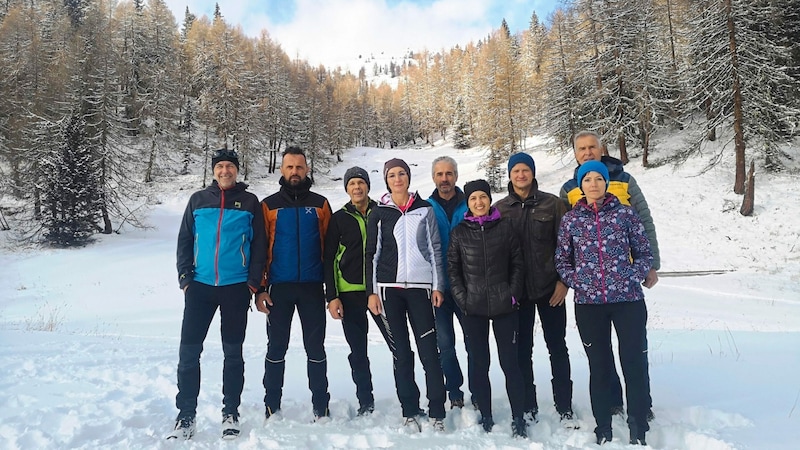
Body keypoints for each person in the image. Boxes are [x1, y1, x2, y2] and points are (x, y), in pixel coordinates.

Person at [560, 130, 658, 419]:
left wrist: (651, 264)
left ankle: (642, 407)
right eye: (582, 149)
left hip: (626, 284)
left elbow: (644, 220)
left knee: (633, 353)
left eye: (592, 147)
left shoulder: (625, 180)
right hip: (591, 289)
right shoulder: (569, 188)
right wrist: (572, 280)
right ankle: (613, 402)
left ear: (601, 149)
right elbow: (564, 238)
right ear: (576, 154)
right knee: (601, 356)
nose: (588, 152)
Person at [172, 148, 267, 440]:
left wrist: (252, 284)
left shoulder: (250, 202)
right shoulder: (198, 200)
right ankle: (186, 414)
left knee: (233, 353)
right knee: (189, 353)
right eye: (220, 166)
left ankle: (231, 411)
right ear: (214, 170)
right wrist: (186, 277)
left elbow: (260, 246)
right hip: (199, 288)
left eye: (230, 166)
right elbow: (185, 240)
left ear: (237, 170)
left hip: (235, 288)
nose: (225, 171)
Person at [494, 152, 576, 427]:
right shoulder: (500, 209)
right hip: (519, 296)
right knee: (522, 352)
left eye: (525, 170)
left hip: (550, 290)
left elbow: (568, 247)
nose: (520, 175)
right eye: (515, 170)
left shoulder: (553, 204)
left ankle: (564, 405)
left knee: (557, 347)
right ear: (509, 174)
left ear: (532, 173)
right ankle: (528, 405)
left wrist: (564, 282)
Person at [365, 158, 447, 432]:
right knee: (402, 353)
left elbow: (436, 250)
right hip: (389, 291)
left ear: (409, 178)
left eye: (402, 174)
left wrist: (438, 286)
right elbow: (372, 255)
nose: (398, 179)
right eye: (392, 175)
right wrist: (372, 292)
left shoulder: (425, 210)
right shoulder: (379, 212)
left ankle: (437, 410)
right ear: (386, 180)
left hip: (421, 290)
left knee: (428, 351)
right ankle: (409, 409)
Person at [255, 146, 332, 421]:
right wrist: (261, 288)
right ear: (282, 170)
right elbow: (261, 249)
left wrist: (330, 290)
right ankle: (271, 405)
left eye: (299, 167)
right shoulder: (269, 205)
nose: (295, 172)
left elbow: (330, 250)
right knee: (276, 347)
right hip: (279, 288)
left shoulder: (321, 204)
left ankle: (321, 405)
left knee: (316, 347)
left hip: (312, 287)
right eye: (290, 167)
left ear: (307, 169)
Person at [447, 179, 527, 438]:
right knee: (479, 363)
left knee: (510, 363)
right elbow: (453, 271)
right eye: (473, 199)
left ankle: (518, 416)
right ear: (467, 203)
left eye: (483, 197)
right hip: (474, 309)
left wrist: (513, 294)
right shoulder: (459, 233)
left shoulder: (506, 228)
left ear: (490, 199)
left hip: (505, 307)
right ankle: (487, 415)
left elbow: (518, 264)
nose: (479, 202)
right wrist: (464, 299)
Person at [323, 166, 396, 416]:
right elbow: (329, 258)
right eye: (352, 183)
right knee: (358, 350)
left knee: (397, 344)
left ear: (368, 186)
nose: (357, 187)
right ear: (347, 189)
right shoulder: (339, 218)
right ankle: (366, 400)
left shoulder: (382, 212)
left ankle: (407, 394)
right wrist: (332, 296)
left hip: (380, 290)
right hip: (349, 293)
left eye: (360, 183)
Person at [426, 156, 472, 409]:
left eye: (449, 173)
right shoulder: (426, 207)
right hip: (439, 289)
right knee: (445, 344)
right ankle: (454, 390)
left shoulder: (470, 204)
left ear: (456, 175)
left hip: (468, 287)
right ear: (434, 177)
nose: (445, 179)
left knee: (473, 343)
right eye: (440, 174)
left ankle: (478, 391)